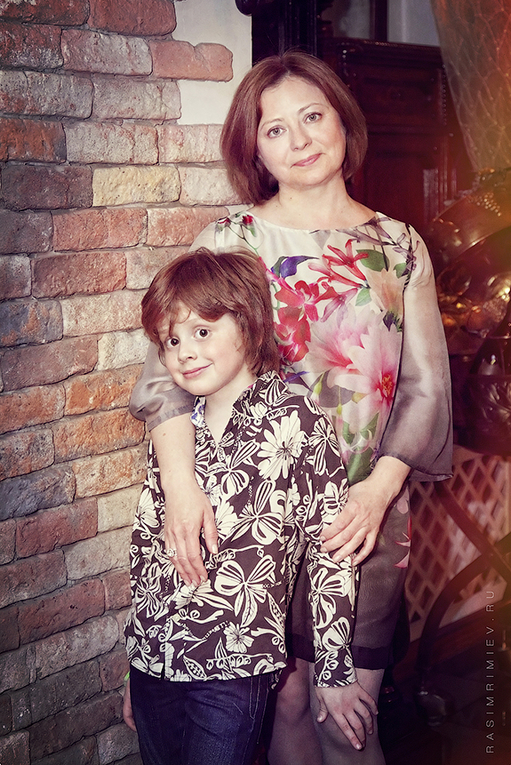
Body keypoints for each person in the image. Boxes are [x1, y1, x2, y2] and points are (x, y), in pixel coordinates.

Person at [130, 51, 452, 765]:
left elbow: (425, 388)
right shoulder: (229, 241)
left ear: (342, 121)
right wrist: (182, 491)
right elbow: (165, 379)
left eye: (312, 116)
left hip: (360, 520)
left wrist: (376, 494)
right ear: (254, 149)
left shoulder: (399, 247)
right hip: (250, 521)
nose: (299, 140)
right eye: (274, 129)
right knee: (284, 701)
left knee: (348, 720)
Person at [123, 248, 378, 765]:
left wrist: (332, 672)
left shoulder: (298, 420)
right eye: (172, 341)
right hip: (154, 661)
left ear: (246, 323)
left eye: (201, 331)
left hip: (236, 665)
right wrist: (135, 662)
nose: (185, 353)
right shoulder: (172, 434)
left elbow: (330, 552)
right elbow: (148, 549)